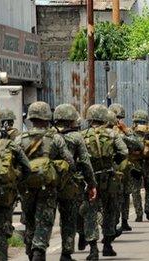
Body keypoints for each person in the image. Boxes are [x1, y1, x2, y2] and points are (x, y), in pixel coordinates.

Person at [16, 101, 76, 261]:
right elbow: (70, 161)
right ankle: (39, 250)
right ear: (47, 118)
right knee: (44, 220)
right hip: (47, 187)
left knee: (29, 220)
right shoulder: (55, 138)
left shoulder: (19, 139)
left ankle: (30, 250)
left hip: (26, 187)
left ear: (30, 118)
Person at [81, 104, 128, 258]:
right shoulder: (113, 134)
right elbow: (124, 151)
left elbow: (77, 157)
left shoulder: (82, 135)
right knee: (110, 211)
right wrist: (113, 161)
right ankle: (107, 245)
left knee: (90, 213)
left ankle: (93, 249)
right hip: (109, 178)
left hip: (90, 179)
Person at [53, 104, 97, 261]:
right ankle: (68, 251)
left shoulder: (50, 135)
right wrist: (91, 183)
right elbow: (85, 161)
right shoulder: (76, 137)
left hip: (50, 182)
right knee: (71, 216)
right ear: (71, 120)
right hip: (72, 183)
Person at [0, 116, 31, 261]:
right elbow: (27, 168)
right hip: (3, 197)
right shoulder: (10, 145)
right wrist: (15, 182)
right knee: (1, 234)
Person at [109, 103, 143, 233]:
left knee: (122, 195)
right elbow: (138, 144)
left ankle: (121, 221)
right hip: (121, 169)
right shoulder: (120, 133)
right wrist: (126, 130)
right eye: (119, 118)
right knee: (121, 196)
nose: (121, 121)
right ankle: (119, 221)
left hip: (118, 169)